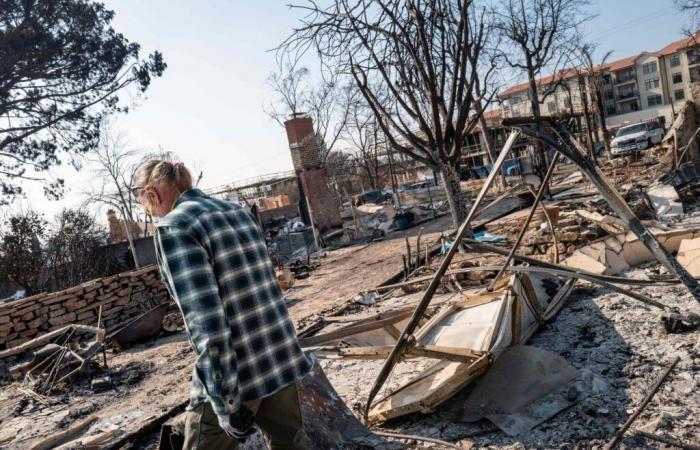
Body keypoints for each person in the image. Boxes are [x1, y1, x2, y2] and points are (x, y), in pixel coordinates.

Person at [133, 160, 312, 450]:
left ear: (152, 193)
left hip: (237, 375)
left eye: (144, 205)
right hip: (279, 358)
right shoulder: (237, 212)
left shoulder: (176, 227)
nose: (147, 213)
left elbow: (207, 324)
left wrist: (225, 400)